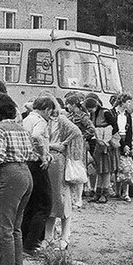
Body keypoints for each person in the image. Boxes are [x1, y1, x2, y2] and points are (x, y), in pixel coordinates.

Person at [0, 94, 37, 265]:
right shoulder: (20, 128)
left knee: (3, 226)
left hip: (8, 174)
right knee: (15, 227)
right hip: (25, 173)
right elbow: (31, 153)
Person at [45, 100, 83, 250]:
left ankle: (63, 236)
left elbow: (76, 132)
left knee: (61, 198)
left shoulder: (60, 120)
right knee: (52, 199)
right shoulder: (47, 120)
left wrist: (61, 145)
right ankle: (51, 236)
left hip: (58, 162)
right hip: (51, 162)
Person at [21, 96, 55, 252]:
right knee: (44, 205)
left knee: (29, 204)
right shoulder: (41, 121)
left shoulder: (27, 118)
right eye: (50, 112)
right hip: (37, 164)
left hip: (26, 163)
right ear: (47, 109)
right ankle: (33, 243)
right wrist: (43, 154)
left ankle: (25, 240)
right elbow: (36, 136)